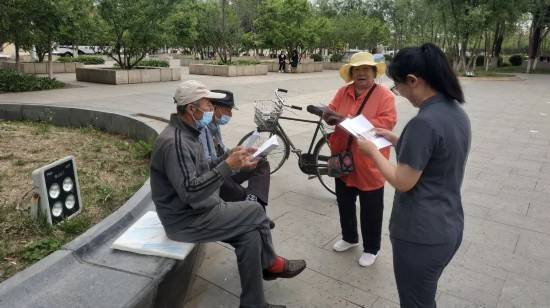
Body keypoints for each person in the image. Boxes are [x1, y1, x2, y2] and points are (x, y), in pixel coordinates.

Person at [150, 80, 306, 308]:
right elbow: (190, 192)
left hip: (202, 209)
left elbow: (204, 170)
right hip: (186, 220)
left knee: (250, 237)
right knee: (253, 210)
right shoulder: (175, 142)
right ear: (192, 109)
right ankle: (271, 263)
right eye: (208, 105)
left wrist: (230, 157)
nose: (211, 110)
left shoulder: (190, 133)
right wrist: (228, 166)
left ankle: (254, 304)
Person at [356, 43, 471, 307]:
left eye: (398, 87)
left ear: (413, 81)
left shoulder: (424, 122)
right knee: (423, 296)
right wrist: (397, 140)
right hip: (448, 224)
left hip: (420, 234)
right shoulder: (454, 112)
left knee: (415, 302)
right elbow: (437, 155)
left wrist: (373, 152)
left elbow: (403, 181)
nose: (401, 94)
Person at [324, 52, 397, 267]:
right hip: (342, 158)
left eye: (366, 69)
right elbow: (333, 111)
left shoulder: (385, 96)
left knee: (371, 208)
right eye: (357, 69)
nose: (361, 73)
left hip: (369, 162)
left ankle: (371, 248)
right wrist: (328, 115)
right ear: (351, 73)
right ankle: (349, 237)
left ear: (374, 72)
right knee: (344, 202)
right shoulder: (343, 91)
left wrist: (349, 120)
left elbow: (386, 123)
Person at [198, 89, 275, 229]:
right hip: (216, 178)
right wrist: (231, 160)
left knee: (261, 162)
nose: (230, 114)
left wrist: (239, 155)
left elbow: (220, 152)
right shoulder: (202, 129)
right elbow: (207, 168)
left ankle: (254, 205)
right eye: (228, 110)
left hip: (225, 169)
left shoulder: (214, 126)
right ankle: (255, 210)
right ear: (216, 109)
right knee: (230, 184)